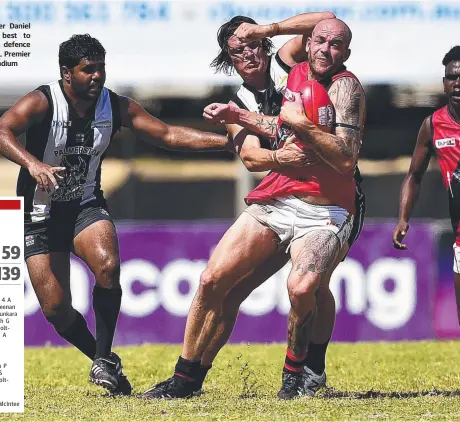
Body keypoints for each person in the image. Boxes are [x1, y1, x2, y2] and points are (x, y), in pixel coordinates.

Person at [0, 34, 231, 396]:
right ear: (67, 73)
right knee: (56, 310)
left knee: (109, 266)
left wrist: (226, 142)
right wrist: (33, 163)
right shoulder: (42, 101)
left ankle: (102, 358)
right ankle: (105, 361)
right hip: (38, 215)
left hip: (85, 206)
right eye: (89, 70)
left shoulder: (115, 106)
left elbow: (167, 134)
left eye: (101, 68)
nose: (97, 76)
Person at [144, 18, 366, 400]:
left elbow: (326, 23)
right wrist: (286, 153)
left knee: (313, 285)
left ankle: (310, 366)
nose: (247, 54)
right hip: (279, 192)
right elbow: (250, 158)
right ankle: (187, 378)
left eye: (252, 45)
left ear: (264, 47)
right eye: (237, 50)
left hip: (330, 198)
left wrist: (266, 29)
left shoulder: (291, 65)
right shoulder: (241, 99)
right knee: (218, 285)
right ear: (228, 60)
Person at [393, 45, 460, 385]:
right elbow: (414, 175)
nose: (458, 83)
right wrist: (403, 218)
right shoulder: (432, 125)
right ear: (444, 83)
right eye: (452, 78)